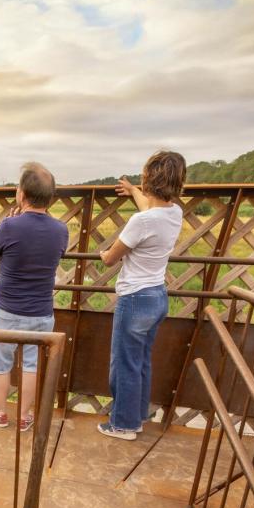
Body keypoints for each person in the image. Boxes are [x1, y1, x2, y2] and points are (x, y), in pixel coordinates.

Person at [97, 149, 186, 441]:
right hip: (157, 297)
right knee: (141, 361)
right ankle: (138, 415)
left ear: (149, 177)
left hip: (135, 299)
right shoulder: (174, 213)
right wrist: (134, 190)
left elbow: (111, 258)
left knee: (124, 364)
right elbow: (150, 210)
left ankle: (122, 425)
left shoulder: (142, 222)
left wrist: (103, 253)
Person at [0, 162, 68, 431]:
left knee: (0, 363)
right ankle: (25, 416)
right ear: (50, 197)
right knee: (31, 364)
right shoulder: (61, 230)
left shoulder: (9, 226)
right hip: (42, 313)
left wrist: (9, 223)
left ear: (21, 194)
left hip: (7, 309)